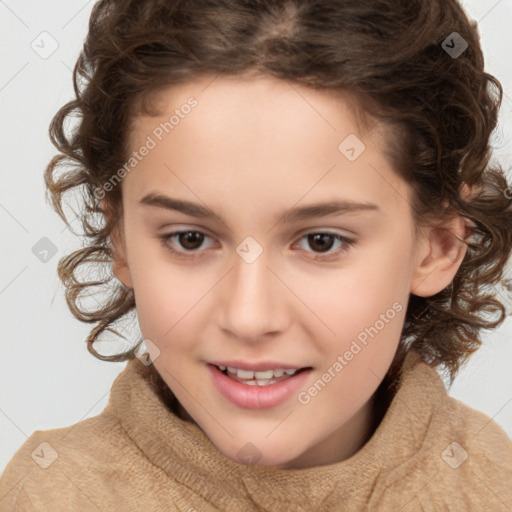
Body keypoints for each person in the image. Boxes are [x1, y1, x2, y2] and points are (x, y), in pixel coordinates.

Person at [1, 0, 511, 510]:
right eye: (190, 239)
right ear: (121, 239)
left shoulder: (494, 489)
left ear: (439, 245)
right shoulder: (53, 495)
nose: (248, 317)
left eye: (321, 242)